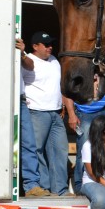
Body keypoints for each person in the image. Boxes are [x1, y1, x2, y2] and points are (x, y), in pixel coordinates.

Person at [22, 31, 72, 196]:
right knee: (37, 150)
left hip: (56, 113)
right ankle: (43, 187)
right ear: (35, 46)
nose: (50, 47)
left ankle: (60, 189)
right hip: (36, 112)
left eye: (51, 44)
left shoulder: (54, 61)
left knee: (60, 150)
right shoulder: (27, 61)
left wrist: (63, 105)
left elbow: (59, 86)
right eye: (46, 44)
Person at [67, 75, 105, 194]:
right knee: (84, 150)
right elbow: (68, 93)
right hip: (84, 114)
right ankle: (80, 186)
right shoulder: (79, 71)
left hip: (104, 112)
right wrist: (71, 114)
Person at [16, 37, 46, 198]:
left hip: (20, 100)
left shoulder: (20, 52)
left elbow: (30, 65)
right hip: (2, 97)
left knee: (29, 143)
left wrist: (21, 52)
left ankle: (31, 185)